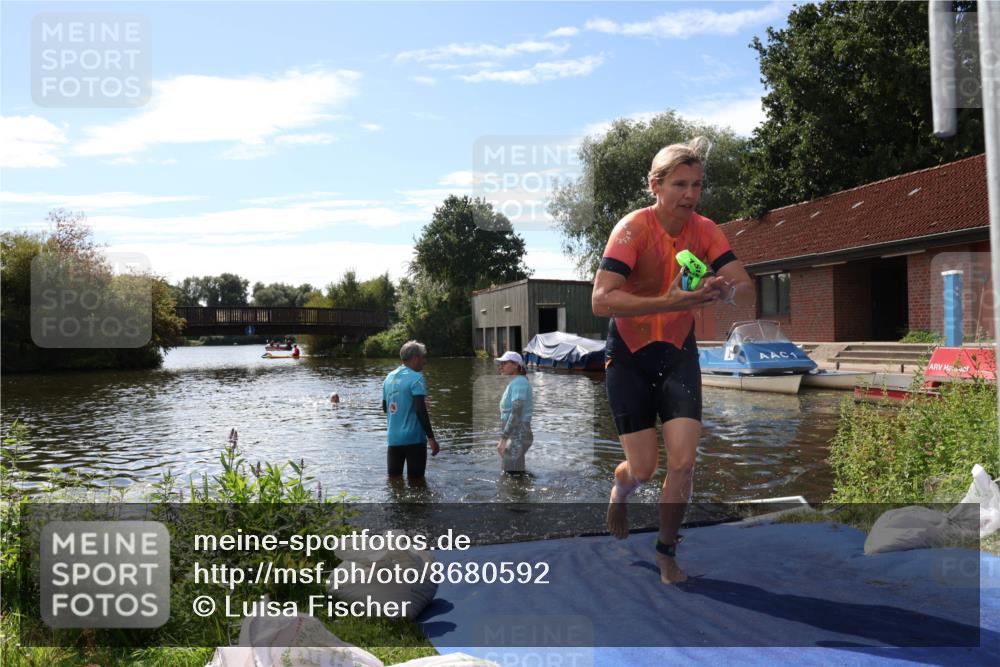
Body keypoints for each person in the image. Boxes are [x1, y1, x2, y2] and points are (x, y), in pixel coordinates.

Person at [591, 136, 754, 584]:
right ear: (655, 186)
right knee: (643, 468)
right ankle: (621, 490)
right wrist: (668, 301)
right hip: (629, 355)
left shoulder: (705, 229)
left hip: (678, 354)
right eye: (680, 184)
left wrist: (725, 289)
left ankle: (666, 550)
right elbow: (602, 301)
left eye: (697, 185)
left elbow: (745, 285)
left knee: (683, 462)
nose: (690, 195)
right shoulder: (632, 229)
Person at [382, 340, 440, 478]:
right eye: (423, 357)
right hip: (414, 440)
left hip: (393, 439)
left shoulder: (388, 378)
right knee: (417, 484)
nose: (424, 361)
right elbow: (420, 411)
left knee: (394, 482)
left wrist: (411, 403)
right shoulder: (416, 378)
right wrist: (431, 439)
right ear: (415, 358)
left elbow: (386, 408)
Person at [495, 351, 533, 473]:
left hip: (519, 436)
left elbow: (516, 412)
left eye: (504, 363)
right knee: (517, 474)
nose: (501, 366)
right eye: (500, 364)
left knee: (509, 475)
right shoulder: (516, 382)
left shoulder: (519, 383)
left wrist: (503, 439)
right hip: (517, 435)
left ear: (516, 365)